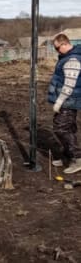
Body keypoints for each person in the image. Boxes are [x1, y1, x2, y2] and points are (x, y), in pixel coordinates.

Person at [48, 33, 81, 174]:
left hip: (69, 100)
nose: (56, 51)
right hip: (68, 100)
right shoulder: (66, 57)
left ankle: (77, 159)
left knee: (61, 128)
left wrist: (59, 102)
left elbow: (69, 85)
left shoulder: (72, 60)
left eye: (57, 48)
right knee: (68, 127)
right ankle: (69, 155)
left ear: (64, 44)